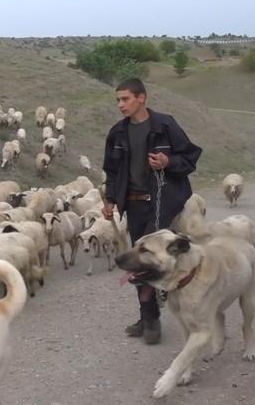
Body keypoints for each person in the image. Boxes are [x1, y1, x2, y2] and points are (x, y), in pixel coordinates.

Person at [101, 78, 202, 344]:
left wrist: (168, 161)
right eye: (118, 100)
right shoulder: (118, 133)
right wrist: (110, 199)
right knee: (140, 259)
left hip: (163, 202)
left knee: (148, 260)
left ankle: (159, 316)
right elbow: (111, 170)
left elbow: (190, 158)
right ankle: (149, 316)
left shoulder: (165, 125)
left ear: (141, 98)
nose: (121, 104)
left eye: (125, 99)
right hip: (134, 204)